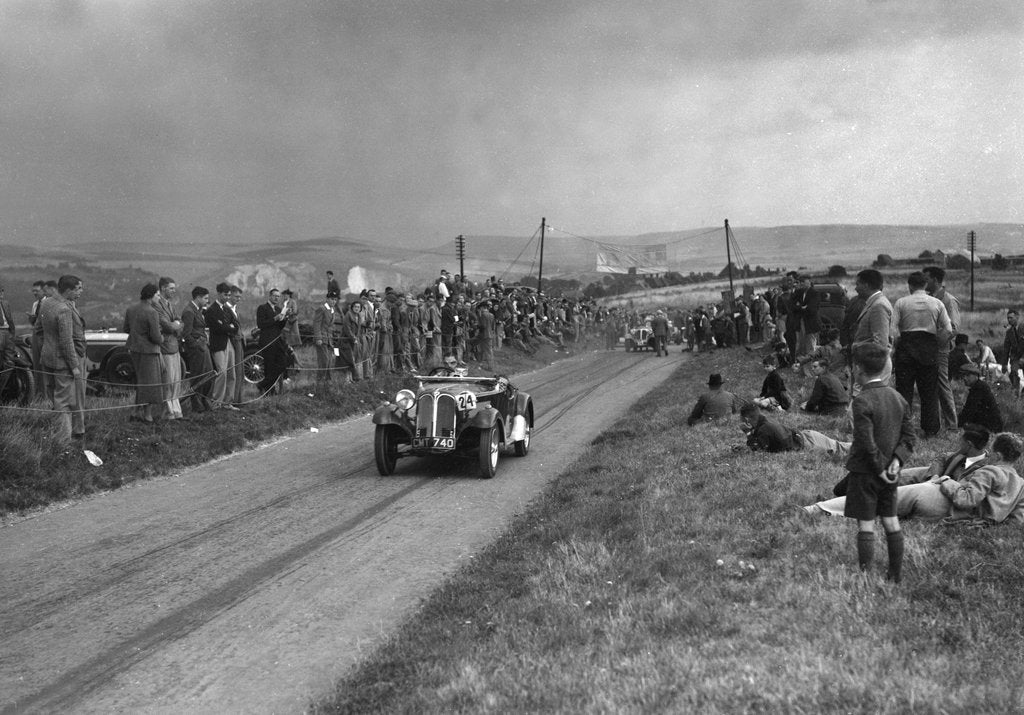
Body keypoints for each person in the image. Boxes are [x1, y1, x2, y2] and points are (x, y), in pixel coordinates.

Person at [840, 342, 916, 582]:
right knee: (891, 521)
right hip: (891, 473)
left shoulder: (862, 401)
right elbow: (910, 437)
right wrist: (896, 461)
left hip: (865, 472)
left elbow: (866, 442)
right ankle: (895, 575)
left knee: (866, 524)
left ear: (859, 369)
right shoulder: (898, 398)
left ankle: (866, 575)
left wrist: (880, 468)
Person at [804, 424, 991, 519]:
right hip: (936, 482)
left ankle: (822, 508)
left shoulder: (986, 470)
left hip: (944, 496)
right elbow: (942, 457)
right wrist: (934, 476)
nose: (957, 445)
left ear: (969, 445)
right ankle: (848, 490)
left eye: (961, 442)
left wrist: (941, 481)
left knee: (892, 495)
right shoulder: (962, 454)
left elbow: (966, 498)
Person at [890, 271, 951, 437]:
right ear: (925, 285)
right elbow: (948, 329)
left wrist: (897, 347)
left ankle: (903, 430)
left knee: (904, 391)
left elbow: (893, 330)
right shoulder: (937, 303)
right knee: (930, 392)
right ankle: (931, 429)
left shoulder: (901, 302)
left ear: (910, 285)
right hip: (929, 347)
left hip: (906, 347)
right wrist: (936, 344)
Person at [39, 275, 86, 441]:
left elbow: (39, 330)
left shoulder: (46, 303)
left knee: (55, 399)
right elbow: (66, 341)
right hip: (62, 362)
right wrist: (74, 366)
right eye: (78, 288)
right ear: (68, 290)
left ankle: (59, 436)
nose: (81, 292)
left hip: (47, 359)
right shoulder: (64, 309)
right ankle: (64, 441)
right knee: (64, 402)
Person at [923, 266, 962, 431]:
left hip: (940, 350)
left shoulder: (948, 300)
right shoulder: (929, 299)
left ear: (936, 280)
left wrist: (936, 341)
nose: (924, 282)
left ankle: (952, 426)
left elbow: (953, 328)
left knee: (942, 385)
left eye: (927, 279)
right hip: (928, 349)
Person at [123, 283, 165, 423]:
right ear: (151, 296)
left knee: (141, 381)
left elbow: (126, 329)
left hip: (135, 349)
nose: (159, 298)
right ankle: (147, 415)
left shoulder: (131, 308)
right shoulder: (152, 312)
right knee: (150, 382)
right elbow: (156, 337)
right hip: (149, 351)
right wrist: (162, 337)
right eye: (157, 295)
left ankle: (136, 411)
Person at [739, 402, 849, 455]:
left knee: (842, 449)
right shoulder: (764, 420)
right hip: (807, 436)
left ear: (747, 419)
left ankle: (864, 444)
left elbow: (757, 450)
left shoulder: (764, 429)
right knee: (841, 446)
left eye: (742, 419)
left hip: (809, 442)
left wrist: (748, 433)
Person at [154, 277, 184, 420]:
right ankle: (168, 411)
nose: (174, 291)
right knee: (168, 381)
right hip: (165, 347)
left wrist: (175, 325)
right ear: (163, 288)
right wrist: (175, 325)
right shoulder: (157, 305)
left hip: (174, 346)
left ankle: (176, 410)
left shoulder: (170, 305)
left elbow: (178, 322)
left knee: (176, 381)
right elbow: (167, 325)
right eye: (171, 288)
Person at [206, 282, 240, 409]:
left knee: (232, 374)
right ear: (219, 293)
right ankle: (216, 402)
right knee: (222, 373)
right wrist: (228, 327)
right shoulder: (211, 310)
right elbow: (218, 327)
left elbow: (235, 326)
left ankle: (227, 402)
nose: (227, 297)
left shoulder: (227, 309)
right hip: (218, 344)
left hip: (229, 343)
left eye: (229, 295)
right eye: (225, 295)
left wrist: (228, 327)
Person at [180, 286, 213, 413]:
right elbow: (186, 334)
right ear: (198, 297)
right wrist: (197, 345)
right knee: (198, 377)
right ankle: (197, 405)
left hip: (203, 347)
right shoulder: (189, 311)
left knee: (208, 375)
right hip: (197, 350)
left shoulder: (197, 310)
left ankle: (204, 401)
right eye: (205, 298)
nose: (206, 301)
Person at [255, 288, 289, 395]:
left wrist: (284, 318)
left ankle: (262, 384)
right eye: (274, 296)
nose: (276, 298)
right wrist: (275, 318)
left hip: (277, 341)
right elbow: (261, 324)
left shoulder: (279, 309)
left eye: (278, 296)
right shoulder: (262, 308)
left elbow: (280, 326)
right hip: (267, 341)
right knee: (269, 366)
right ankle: (269, 391)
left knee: (283, 363)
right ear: (270, 296)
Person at [958, 363, 1003, 432]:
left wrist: (957, 424)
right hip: (990, 424)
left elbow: (969, 410)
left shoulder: (979, 388)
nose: (964, 378)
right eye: (963, 375)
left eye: (968, 375)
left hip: (990, 427)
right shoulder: (978, 386)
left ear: (976, 376)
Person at [312, 291, 338, 384]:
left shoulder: (332, 310)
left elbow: (331, 327)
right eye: (332, 299)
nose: (334, 301)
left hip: (329, 340)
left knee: (330, 360)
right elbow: (316, 324)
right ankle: (320, 381)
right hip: (322, 339)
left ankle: (328, 381)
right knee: (324, 360)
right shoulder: (322, 309)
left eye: (335, 300)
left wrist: (334, 339)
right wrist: (318, 338)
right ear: (327, 299)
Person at [227, 286, 246, 405]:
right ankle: (233, 400)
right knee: (235, 371)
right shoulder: (227, 309)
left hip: (239, 341)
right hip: (233, 342)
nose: (238, 299)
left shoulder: (234, 309)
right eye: (236, 296)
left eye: (239, 297)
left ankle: (238, 399)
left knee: (240, 371)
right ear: (230, 295)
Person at [0, 282, 17, 398]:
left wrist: (12, 334)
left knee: (10, 364)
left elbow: (10, 320)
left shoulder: (5, 303)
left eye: (1, 290)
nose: (1, 293)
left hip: (8, 333)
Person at [1002, 309, 1024, 395]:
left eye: (1011, 318)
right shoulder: (1009, 332)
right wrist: (1004, 364)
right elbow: (1006, 348)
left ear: (1017, 317)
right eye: (1008, 318)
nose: (1009, 320)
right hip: (1016, 357)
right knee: (1013, 374)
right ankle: (1016, 395)